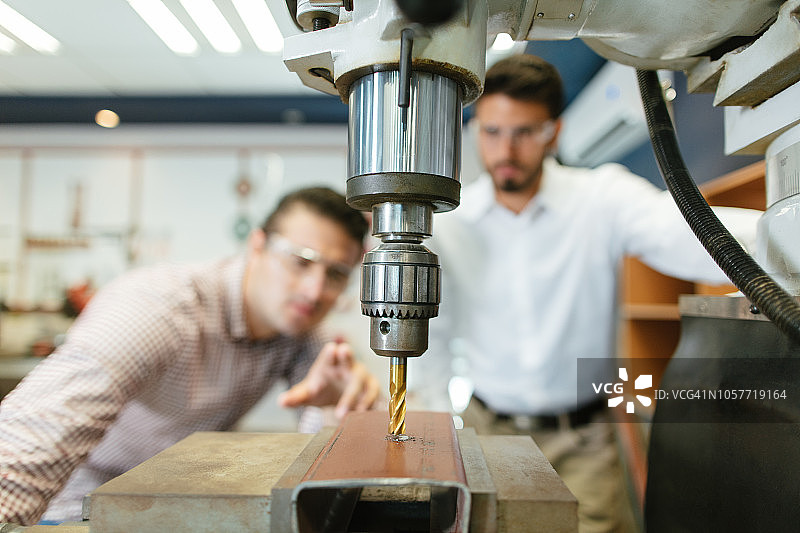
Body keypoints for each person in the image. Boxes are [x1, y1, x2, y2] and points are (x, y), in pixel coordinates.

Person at [421, 55, 761, 533]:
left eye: (525, 132)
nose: (506, 150)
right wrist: (437, 431)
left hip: (585, 437)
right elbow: (435, 335)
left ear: (553, 133)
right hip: (488, 433)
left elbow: (691, 234)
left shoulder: (601, 198)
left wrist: (784, 236)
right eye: (492, 132)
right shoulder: (452, 225)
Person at [0, 186, 380, 526]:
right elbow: (44, 425)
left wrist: (338, 408)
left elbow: (320, 476)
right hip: (70, 505)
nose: (315, 291)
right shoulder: (161, 308)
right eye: (300, 261)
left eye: (336, 274)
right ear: (257, 245)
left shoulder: (299, 333)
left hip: (170, 504)